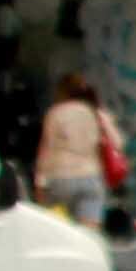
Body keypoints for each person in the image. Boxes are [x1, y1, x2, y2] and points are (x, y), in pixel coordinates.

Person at [33, 74, 114, 222]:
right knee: (89, 237)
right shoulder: (97, 113)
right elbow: (118, 143)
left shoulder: (56, 113)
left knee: (61, 234)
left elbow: (46, 152)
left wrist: (39, 183)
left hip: (60, 179)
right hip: (90, 177)